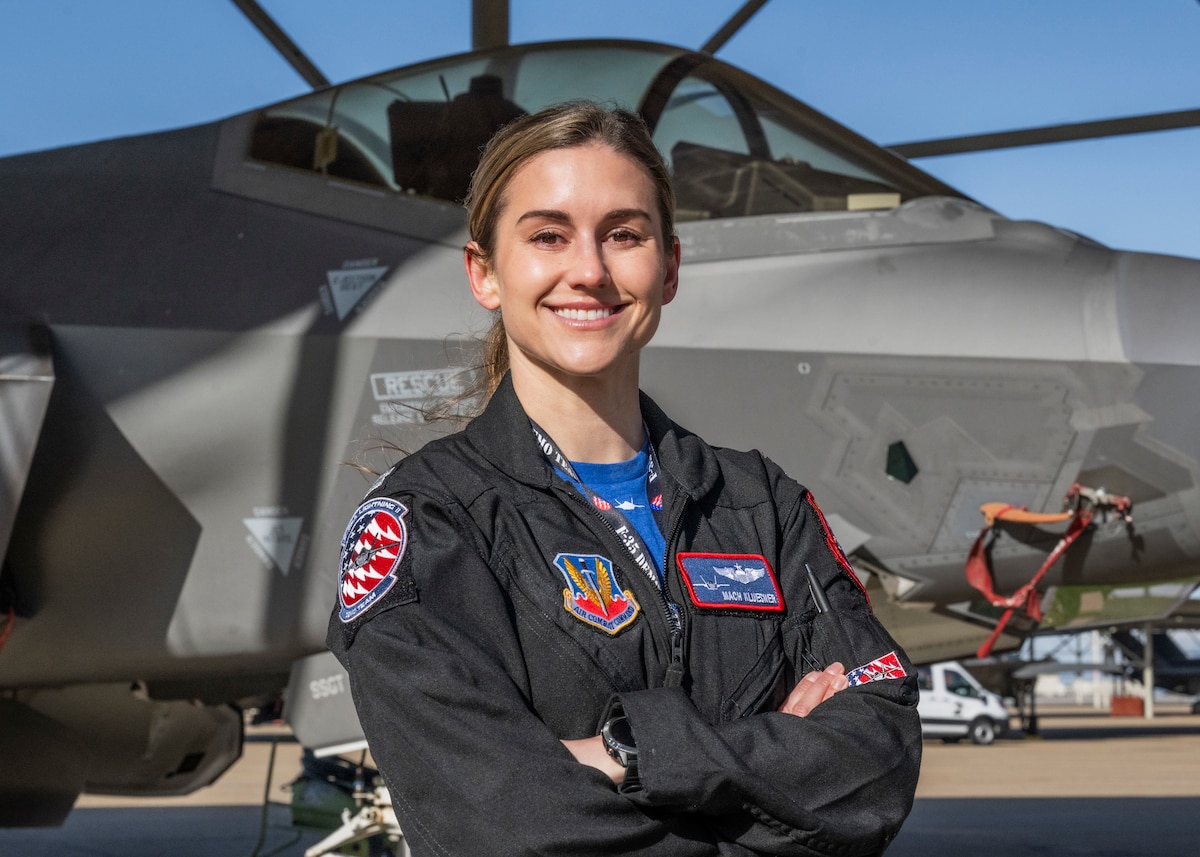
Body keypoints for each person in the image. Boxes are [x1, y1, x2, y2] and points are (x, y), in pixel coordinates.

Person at [328, 102, 921, 856]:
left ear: (668, 269)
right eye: (548, 236)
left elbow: (876, 764)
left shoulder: (760, 504)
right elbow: (501, 823)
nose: (589, 271)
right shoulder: (429, 524)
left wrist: (626, 751)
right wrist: (764, 777)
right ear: (484, 273)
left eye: (624, 235)